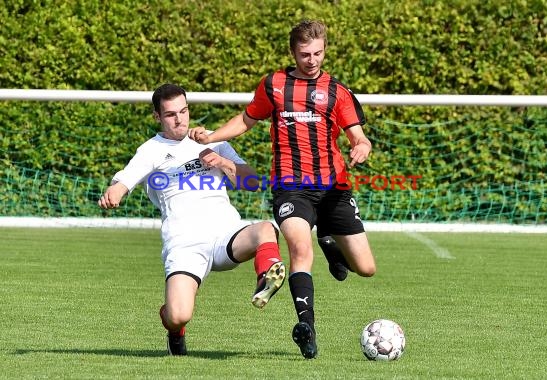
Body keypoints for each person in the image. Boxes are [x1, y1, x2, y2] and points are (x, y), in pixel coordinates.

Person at [188, 20, 376, 359]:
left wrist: (361, 146)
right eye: (305, 54)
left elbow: (357, 134)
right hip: (291, 189)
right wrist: (212, 136)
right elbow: (247, 119)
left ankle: (330, 240)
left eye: (318, 53)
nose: (312, 60)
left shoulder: (337, 91)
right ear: (293, 52)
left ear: (325, 50)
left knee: (365, 267)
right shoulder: (274, 85)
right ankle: (307, 328)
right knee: (300, 251)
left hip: (334, 188)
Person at [98, 83, 286, 356]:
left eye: (184, 111)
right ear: (157, 117)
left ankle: (265, 280)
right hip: (184, 243)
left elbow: (252, 182)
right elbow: (125, 178)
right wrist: (115, 191)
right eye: (171, 114)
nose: (180, 119)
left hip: (226, 233)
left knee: (266, 228)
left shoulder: (211, 139)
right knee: (178, 315)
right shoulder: (151, 150)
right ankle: (176, 330)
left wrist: (222, 162)